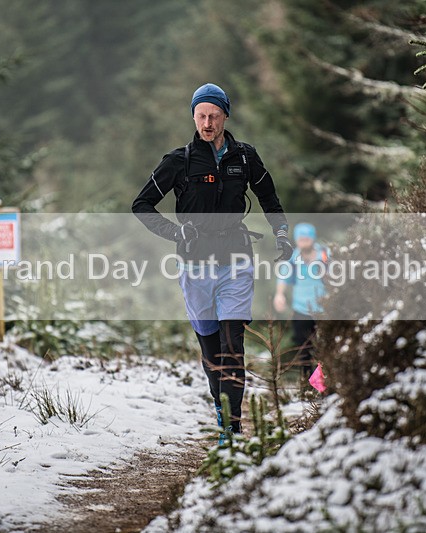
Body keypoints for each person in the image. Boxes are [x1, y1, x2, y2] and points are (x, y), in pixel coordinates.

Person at [132, 83, 292, 438]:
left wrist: (281, 234)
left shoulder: (245, 157)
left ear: (225, 117)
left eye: (214, 116)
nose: (207, 123)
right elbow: (141, 205)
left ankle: (233, 428)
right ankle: (221, 409)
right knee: (211, 349)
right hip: (194, 265)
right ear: (193, 116)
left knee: (233, 345)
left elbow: (269, 198)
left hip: (236, 260)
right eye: (201, 115)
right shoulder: (180, 161)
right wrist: (176, 233)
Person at [273, 222, 328, 385]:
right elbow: (283, 276)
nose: (304, 242)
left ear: (312, 239)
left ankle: (324, 384)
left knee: (324, 348)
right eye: (301, 239)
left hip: (324, 309)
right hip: (301, 309)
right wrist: (279, 295)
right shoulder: (293, 257)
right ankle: (307, 383)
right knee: (303, 348)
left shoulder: (324, 255)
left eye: (306, 239)